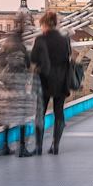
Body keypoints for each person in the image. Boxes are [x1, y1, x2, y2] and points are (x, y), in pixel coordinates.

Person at [0, 13, 36, 158]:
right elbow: (27, 63)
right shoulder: (19, 43)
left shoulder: (6, 42)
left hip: (7, 84)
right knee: (22, 115)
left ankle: (4, 146)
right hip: (18, 83)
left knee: (8, 116)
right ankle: (22, 148)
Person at [31, 11, 71, 155]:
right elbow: (68, 55)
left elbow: (34, 58)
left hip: (44, 80)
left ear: (44, 24)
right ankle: (56, 146)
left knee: (40, 112)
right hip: (61, 80)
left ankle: (38, 147)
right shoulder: (65, 39)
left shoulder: (40, 39)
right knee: (59, 113)